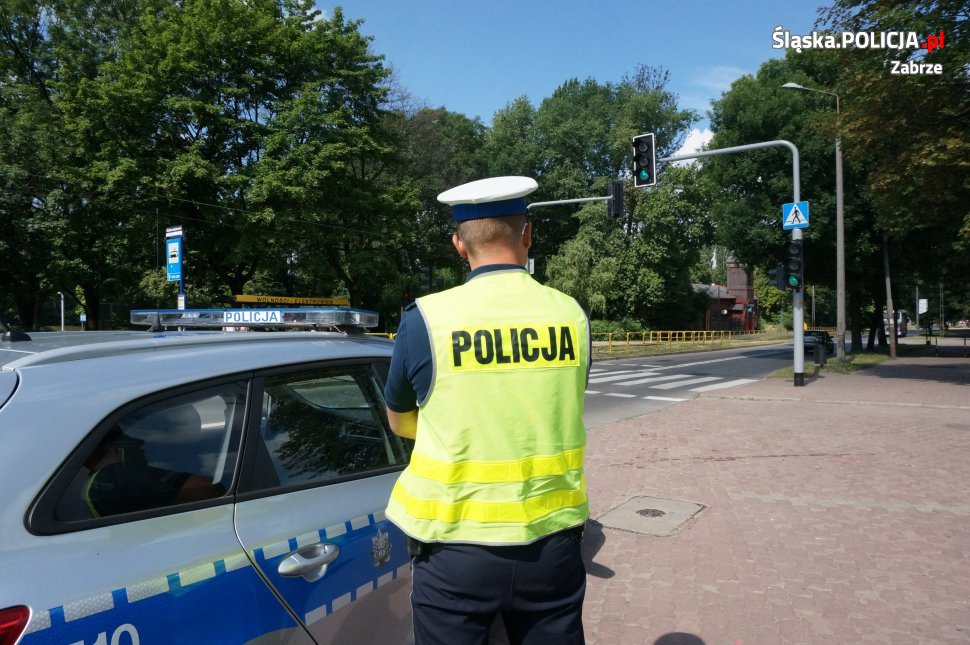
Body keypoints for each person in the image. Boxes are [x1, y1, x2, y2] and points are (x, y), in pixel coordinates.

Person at [384, 176, 591, 645]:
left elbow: (399, 421)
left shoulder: (425, 320)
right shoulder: (571, 316)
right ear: (528, 234)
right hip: (551, 546)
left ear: (459, 245)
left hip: (454, 551)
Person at [84, 424, 224, 518]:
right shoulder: (118, 475)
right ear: (117, 448)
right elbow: (201, 489)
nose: (141, 448)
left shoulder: (96, 485)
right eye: (134, 443)